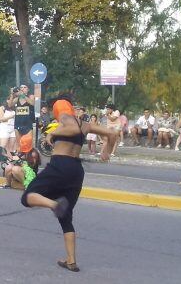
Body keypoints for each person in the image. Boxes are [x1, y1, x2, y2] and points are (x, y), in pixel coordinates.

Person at [21, 98, 116, 272]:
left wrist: (52, 134)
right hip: (76, 171)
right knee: (65, 216)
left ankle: (54, 204)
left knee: (27, 197)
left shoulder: (65, 119)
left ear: (58, 110)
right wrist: (106, 151)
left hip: (60, 165)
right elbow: (113, 134)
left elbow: (71, 128)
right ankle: (71, 261)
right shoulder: (85, 124)